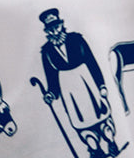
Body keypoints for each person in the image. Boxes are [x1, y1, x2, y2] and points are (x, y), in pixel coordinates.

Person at [38, 9, 120, 157]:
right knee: (81, 121)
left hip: (86, 80)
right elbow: (51, 76)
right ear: (47, 31)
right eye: (51, 29)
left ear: (62, 25)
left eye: (56, 26)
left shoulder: (76, 39)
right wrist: (51, 93)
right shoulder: (47, 51)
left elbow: (92, 63)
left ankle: (111, 142)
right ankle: (95, 150)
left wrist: (101, 85)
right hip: (68, 89)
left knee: (101, 114)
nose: (55, 31)